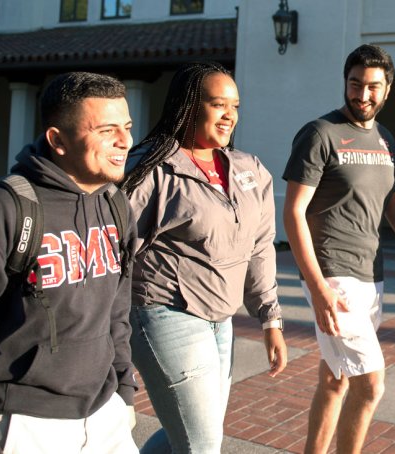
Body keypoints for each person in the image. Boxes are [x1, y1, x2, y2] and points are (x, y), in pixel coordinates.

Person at [0, 72, 138, 453]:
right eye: (106, 130)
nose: (125, 141)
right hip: (26, 423)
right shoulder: (3, 210)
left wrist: (124, 394)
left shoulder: (116, 206)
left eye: (128, 126)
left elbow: (116, 312)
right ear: (58, 140)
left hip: (105, 416)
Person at [119, 61, 287, 454]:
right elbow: (116, 251)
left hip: (220, 320)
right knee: (203, 445)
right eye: (217, 104)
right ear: (189, 106)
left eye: (236, 106)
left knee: (193, 434)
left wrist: (270, 318)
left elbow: (260, 246)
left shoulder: (249, 169)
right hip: (164, 312)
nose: (229, 115)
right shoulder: (151, 169)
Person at [283, 44, 395, 454]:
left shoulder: (385, 139)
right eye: (355, 85)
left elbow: (394, 204)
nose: (362, 95)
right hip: (333, 273)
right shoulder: (320, 133)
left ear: (387, 89)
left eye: (372, 87)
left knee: (336, 379)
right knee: (371, 384)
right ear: (345, 83)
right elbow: (294, 213)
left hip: (372, 273)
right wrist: (318, 287)